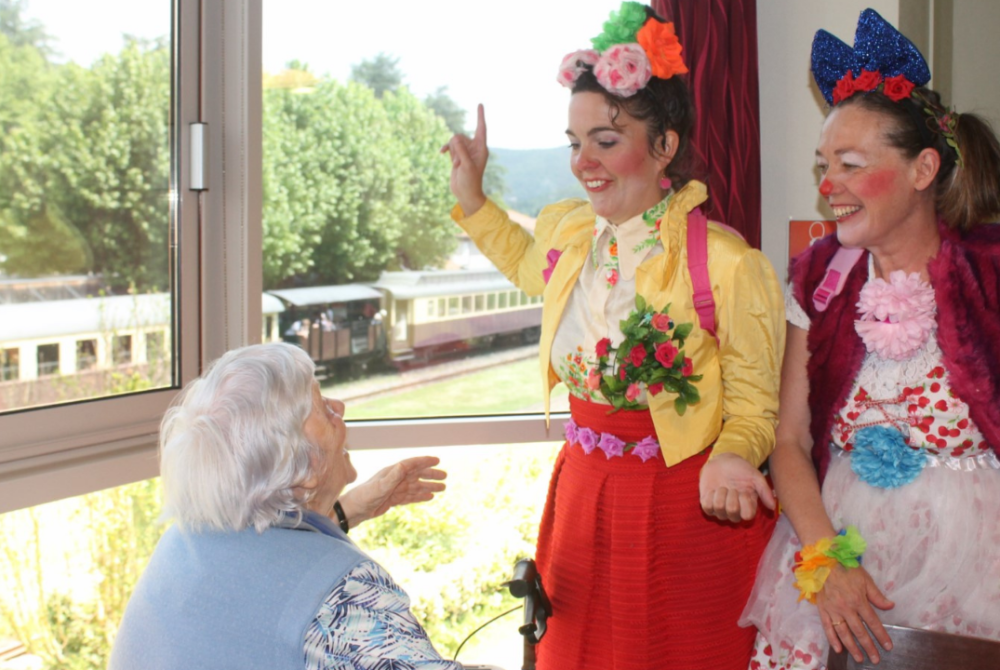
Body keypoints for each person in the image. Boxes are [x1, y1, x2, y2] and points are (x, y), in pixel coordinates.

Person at [443, 3, 785, 668]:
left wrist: (735, 453)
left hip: (689, 510)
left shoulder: (727, 263)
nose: (584, 162)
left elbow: (753, 404)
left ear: (666, 147)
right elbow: (524, 263)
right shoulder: (572, 234)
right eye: (575, 143)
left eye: (605, 140)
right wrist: (475, 198)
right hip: (583, 498)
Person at [740, 8, 1000, 669]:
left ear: (922, 170)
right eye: (824, 165)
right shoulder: (819, 276)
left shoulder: (990, 275)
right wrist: (825, 560)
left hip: (976, 567)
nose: (829, 187)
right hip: (841, 551)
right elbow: (790, 439)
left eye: (851, 164)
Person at [109, 342, 462, 670]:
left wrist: (346, 510)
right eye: (323, 410)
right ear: (304, 469)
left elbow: (266, 584)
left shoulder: (185, 540)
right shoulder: (347, 595)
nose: (339, 409)